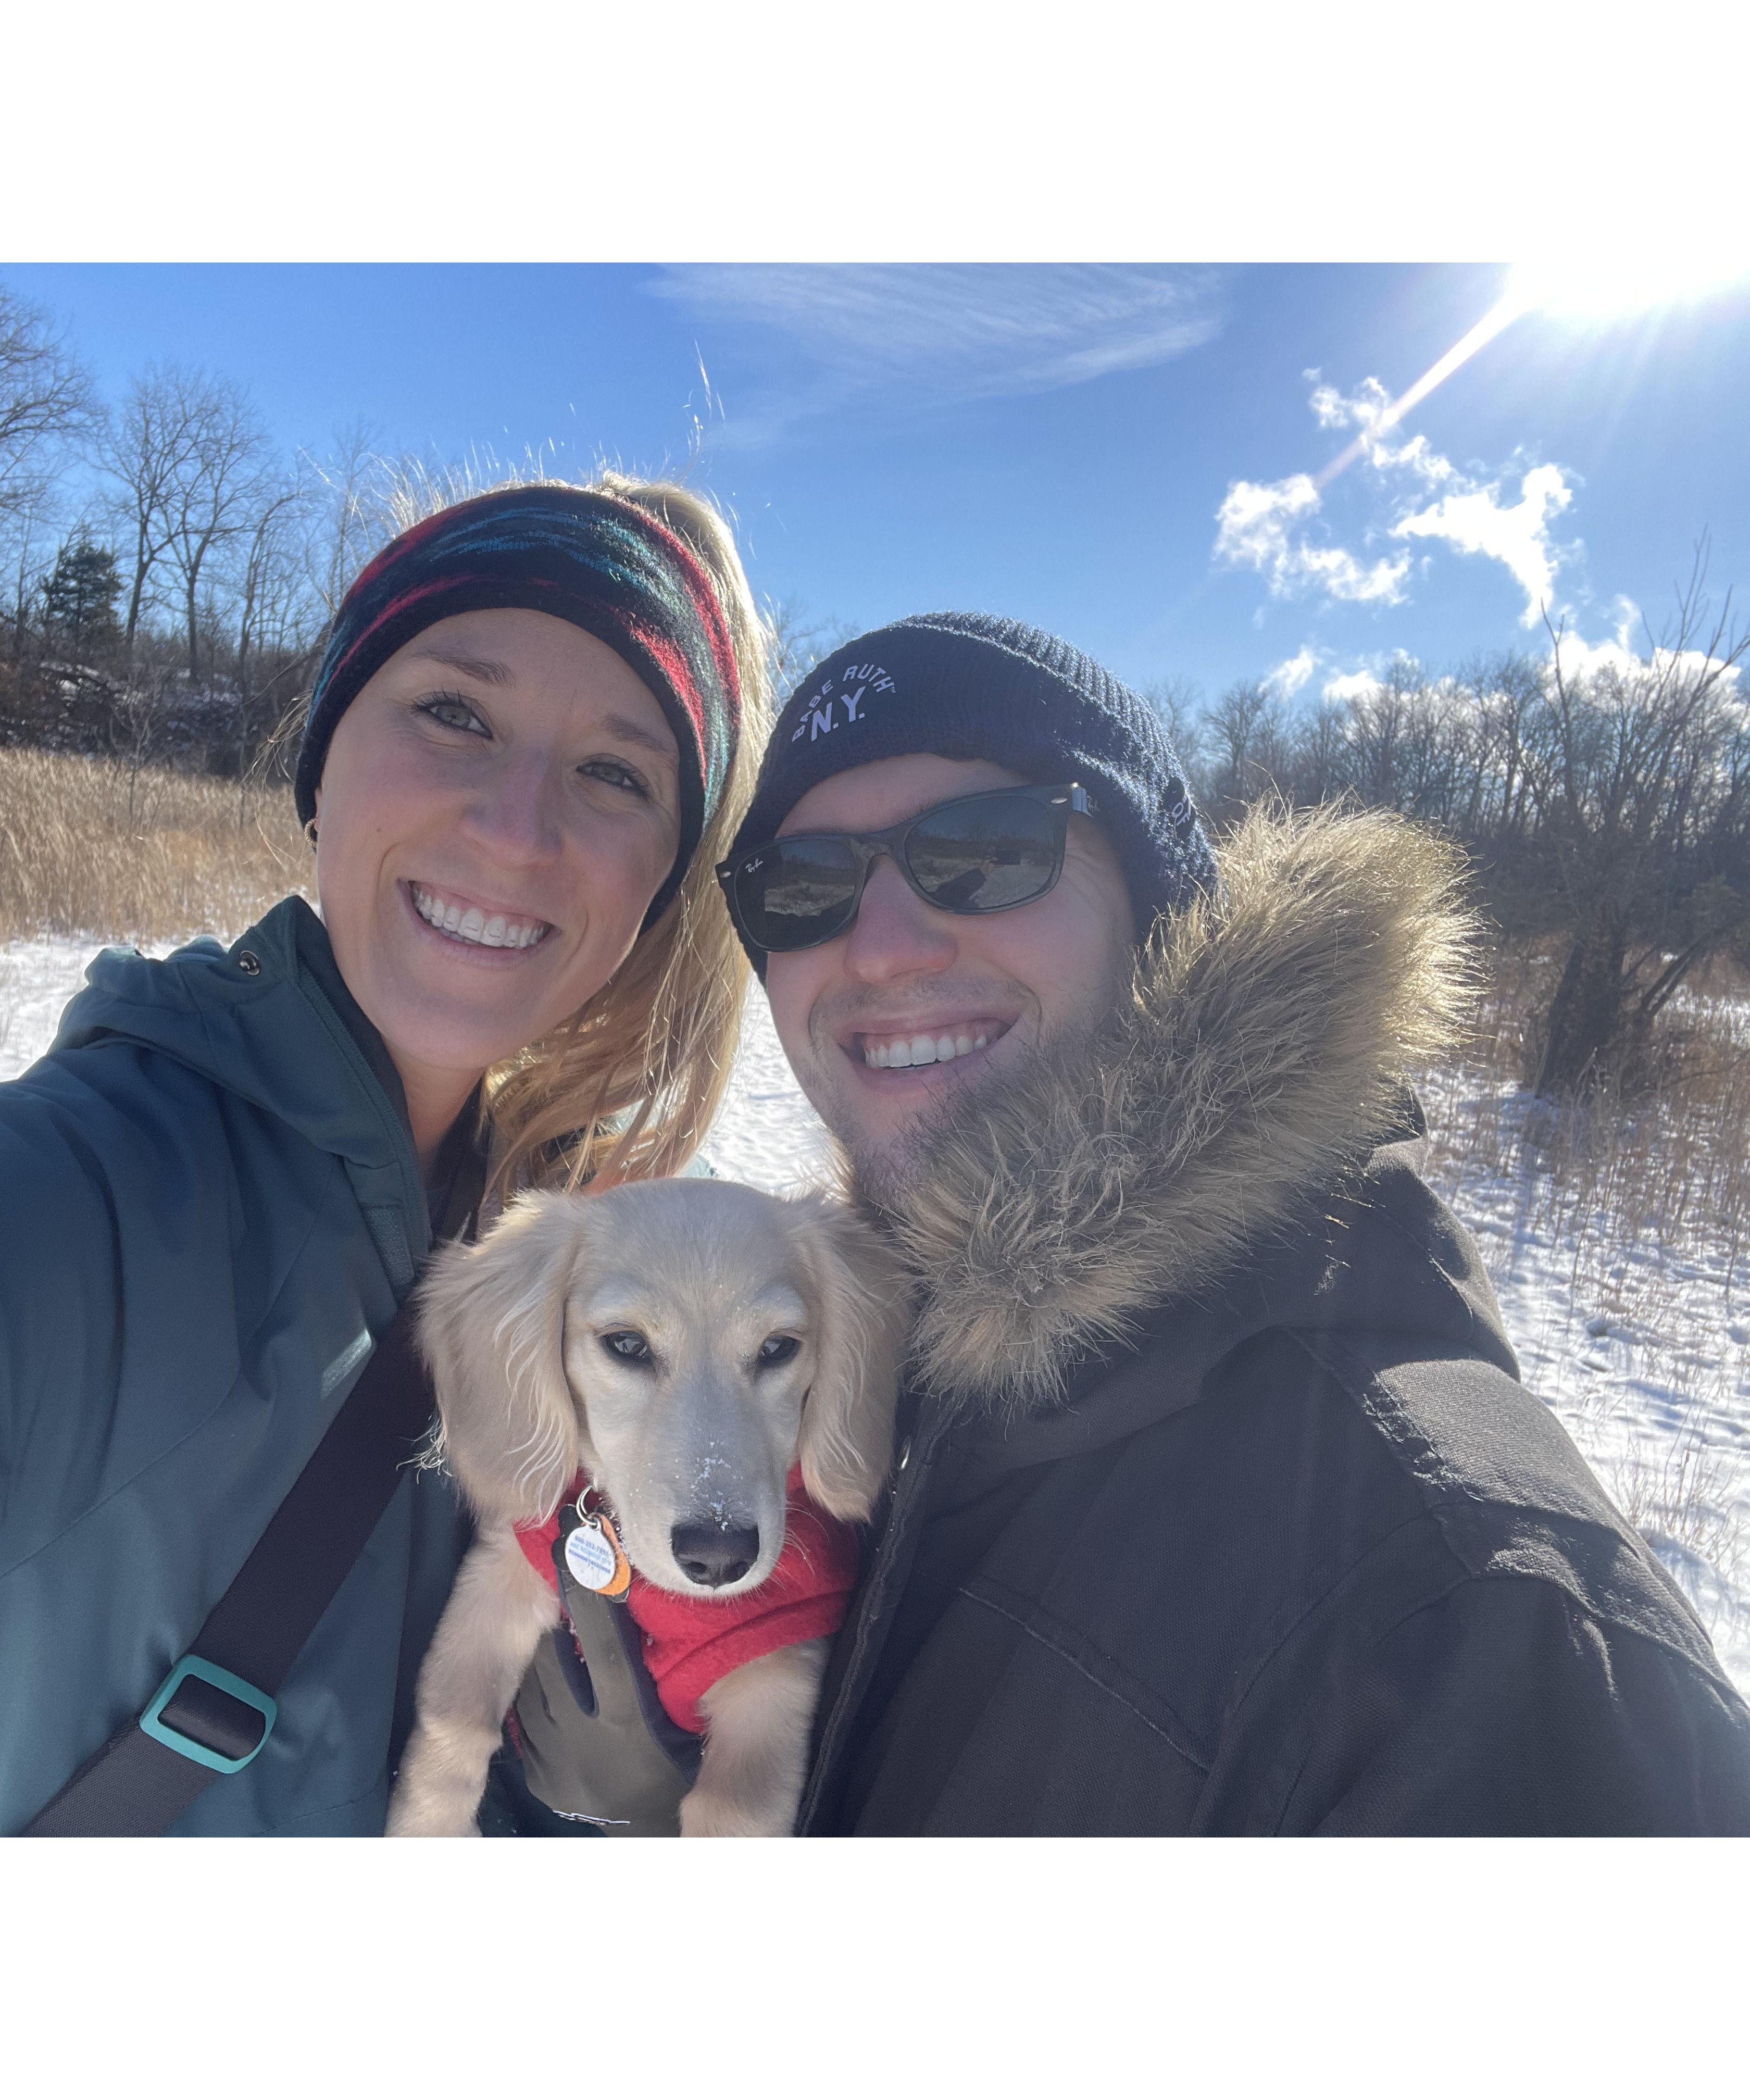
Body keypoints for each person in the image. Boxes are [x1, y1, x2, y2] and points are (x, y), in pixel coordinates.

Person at [0, 476, 764, 1836]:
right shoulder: (75, 1195)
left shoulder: (591, 1280)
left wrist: (629, 1808)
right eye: (455, 712)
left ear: (661, 880)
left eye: (616, 772)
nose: (519, 827)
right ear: (324, 756)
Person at [712, 611, 1750, 1834]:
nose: (879, 950)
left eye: (983, 850)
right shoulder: (875, 1376)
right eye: (806, 888)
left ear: (1162, 905)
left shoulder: (1476, 1623)